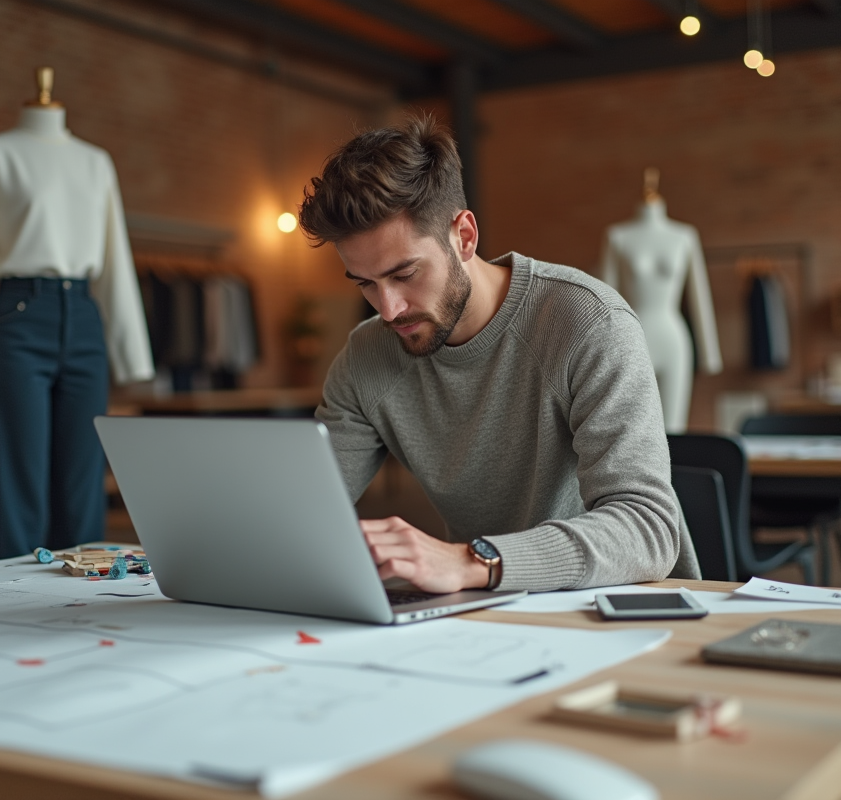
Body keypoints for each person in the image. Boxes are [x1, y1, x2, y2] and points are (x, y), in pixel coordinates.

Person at [299, 114, 699, 594]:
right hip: (484, 614)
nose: (388, 309)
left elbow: (647, 530)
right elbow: (306, 515)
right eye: (365, 283)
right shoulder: (365, 360)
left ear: (464, 236)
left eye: (404, 275)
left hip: (618, 611)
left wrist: (471, 562)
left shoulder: (588, 323)